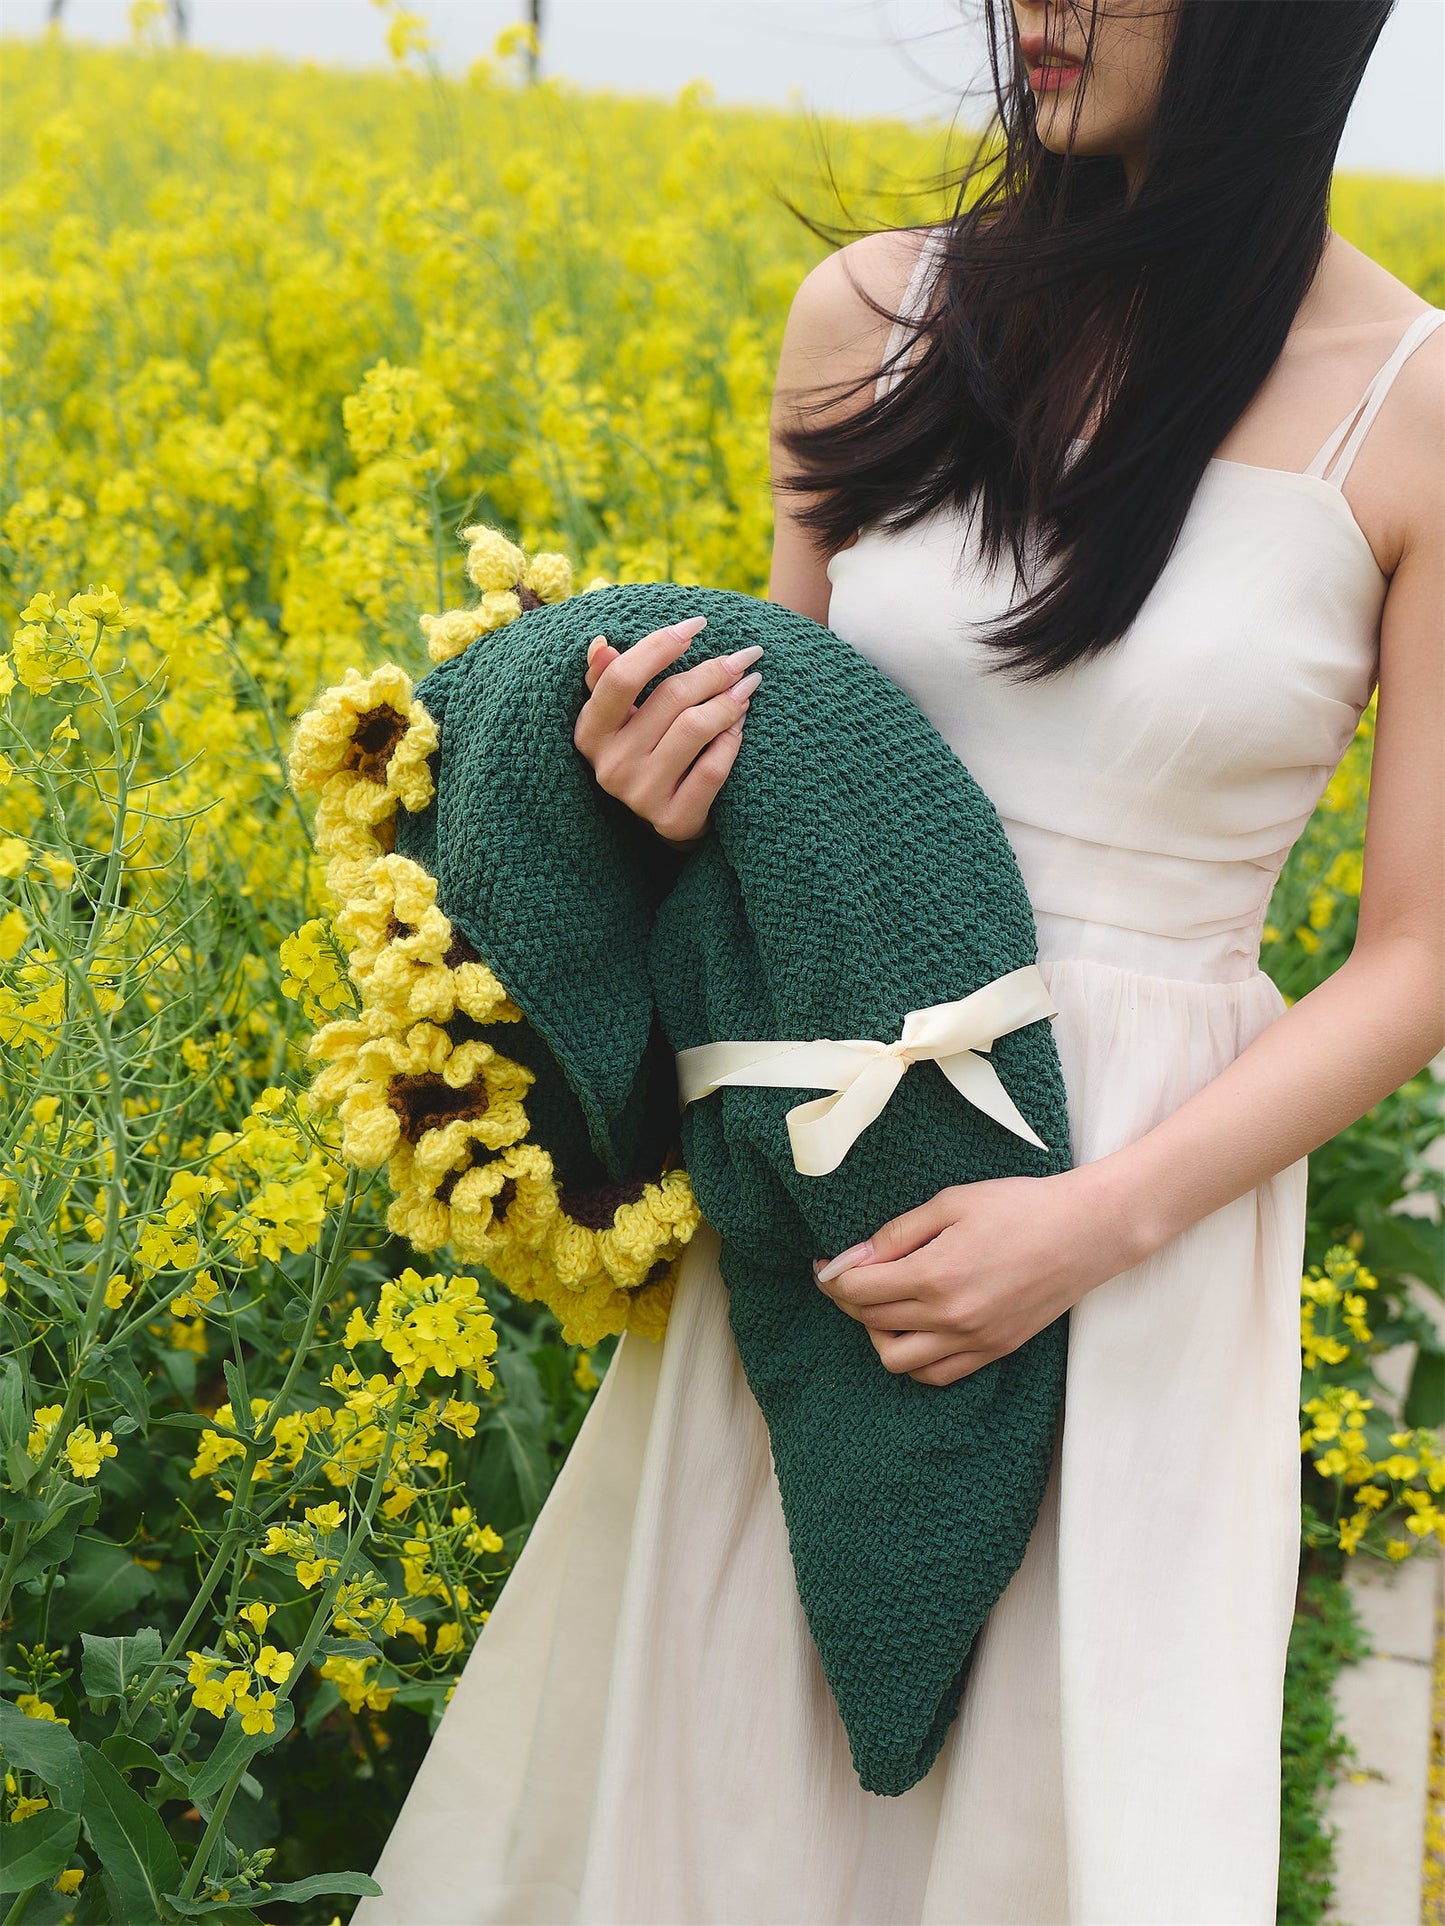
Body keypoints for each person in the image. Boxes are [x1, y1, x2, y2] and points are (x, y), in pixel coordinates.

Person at [353, 0, 1444, 1919]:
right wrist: (653, 787)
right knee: (729, 1806)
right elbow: (785, 779)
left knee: (1062, 1819)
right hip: (832, 1191)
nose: (1041, 3)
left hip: (1136, 1228)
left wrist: (1089, 1225)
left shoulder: (1412, 404)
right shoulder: (870, 311)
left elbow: (1422, 950)